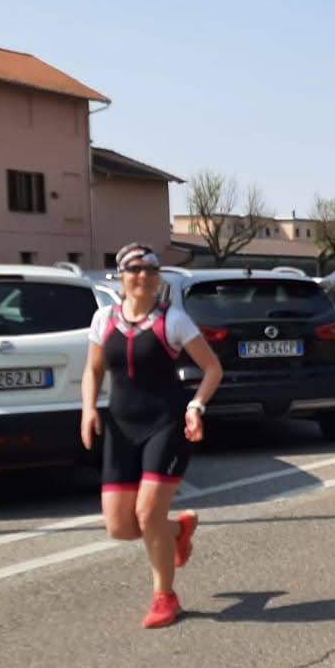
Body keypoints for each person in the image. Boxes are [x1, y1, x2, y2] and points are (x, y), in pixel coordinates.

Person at [82, 244, 223, 628]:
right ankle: (178, 529)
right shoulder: (103, 319)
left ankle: (165, 597)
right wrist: (89, 408)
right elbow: (93, 370)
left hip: (166, 424)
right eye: (134, 269)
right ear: (121, 275)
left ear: (158, 277)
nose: (142, 276)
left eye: (149, 270)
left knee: (148, 515)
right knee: (120, 527)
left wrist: (196, 406)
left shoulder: (173, 320)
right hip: (121, 427)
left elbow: (212, 368)